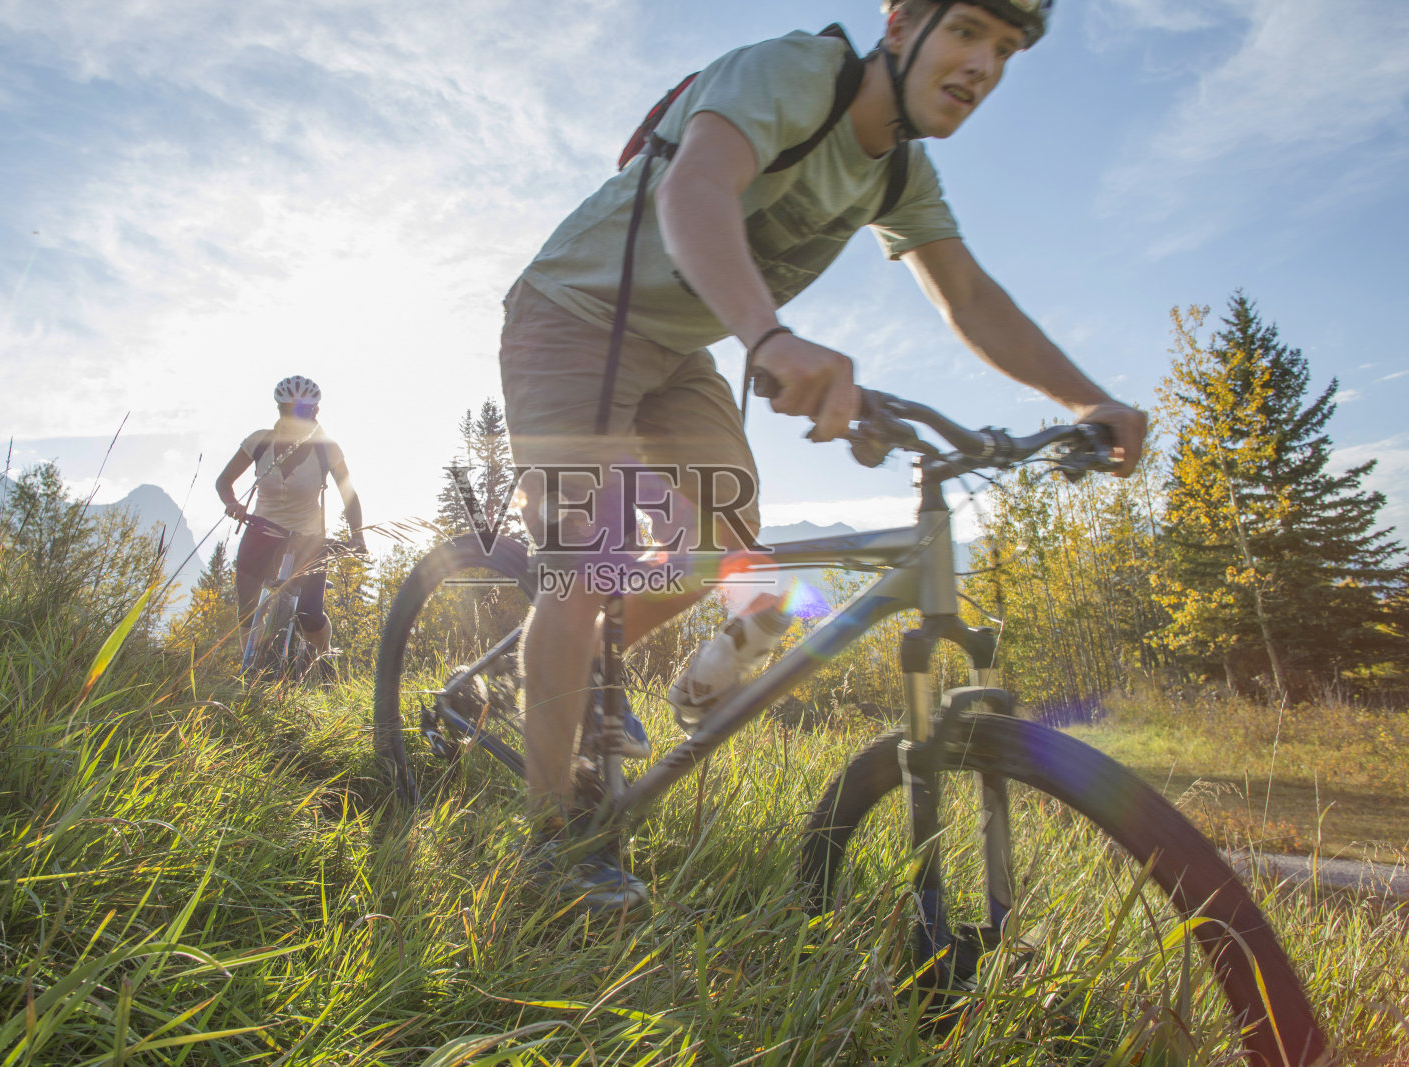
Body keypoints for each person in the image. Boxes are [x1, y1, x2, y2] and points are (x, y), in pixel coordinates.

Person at [498, 0, 1148, 912]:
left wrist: (1085, 397)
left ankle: (587, 671)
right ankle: (555, 850)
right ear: (901, 25)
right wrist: (768, 337)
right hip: (575, 314)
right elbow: (695, 189)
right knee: (583, 561)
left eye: (1005, 51)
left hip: (680, 349)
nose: (983, 67)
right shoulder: (795, 75)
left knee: (727, 551)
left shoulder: (900, 175)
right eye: (966, 32)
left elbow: (967, 294)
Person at [215, 375, 366, 659]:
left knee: (309, 617)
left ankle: (323, 656)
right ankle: (249, 671)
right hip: (261, 530)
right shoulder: (259, 442)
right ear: (279, 409)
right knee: (247, 610)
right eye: (288, 409)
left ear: (315, 412)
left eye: (303, 411)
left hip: (308, 538)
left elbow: (349, 495)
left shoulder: (326, 449)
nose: (294, 416)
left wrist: (357, 534)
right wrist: (232, 503)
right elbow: (224, 481)